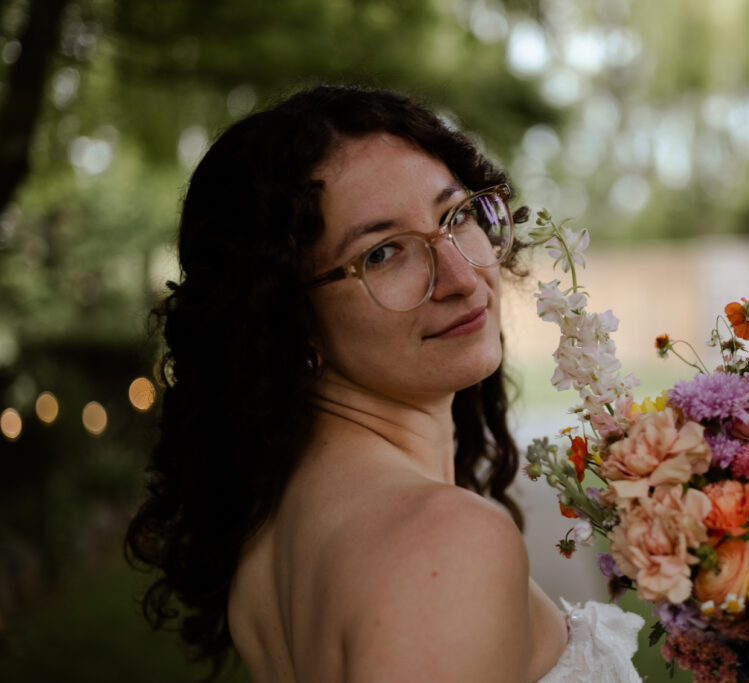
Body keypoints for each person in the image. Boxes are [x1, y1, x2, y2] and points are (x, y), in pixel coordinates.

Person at [125, 85, 642, 682]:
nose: (462, 277)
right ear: (287, 318)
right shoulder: (443, 545)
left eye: (457, 216)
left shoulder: (277, 530)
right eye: (383, 254)